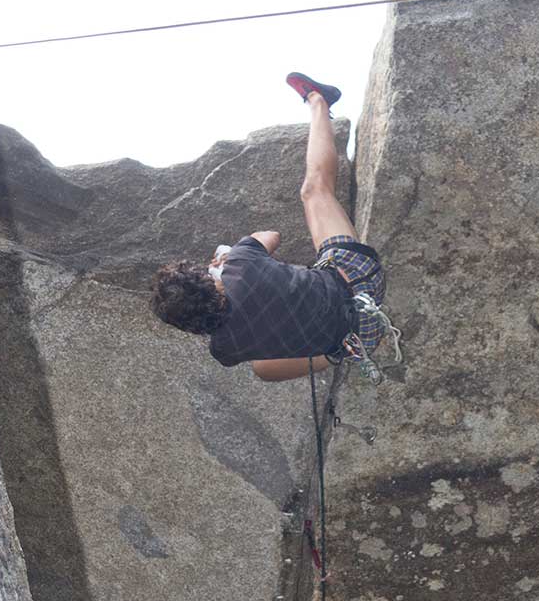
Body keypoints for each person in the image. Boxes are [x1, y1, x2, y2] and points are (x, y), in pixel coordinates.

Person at [150, 73, 388, 381]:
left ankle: (341, 352)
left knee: (262, 368)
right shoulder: (240, 264)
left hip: (361, 336)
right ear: (207, 280)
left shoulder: (223, 349)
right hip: (361, 282)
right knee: (314, 190)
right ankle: (318, 100)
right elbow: (271, 236)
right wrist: (229, 258)